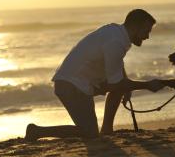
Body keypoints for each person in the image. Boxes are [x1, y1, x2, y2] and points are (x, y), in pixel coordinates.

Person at [25, 9, 164, 141]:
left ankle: (107, 129)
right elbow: (116, 83)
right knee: (89, 133)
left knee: (121, 85)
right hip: (71, 85)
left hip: (82, 83)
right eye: (146, 31)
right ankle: (37, 131)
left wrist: (126, 86)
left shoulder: (116, 33)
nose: (147, 36)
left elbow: (117, 66)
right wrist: (147, 85)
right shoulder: (116, 41)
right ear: (135, 26)